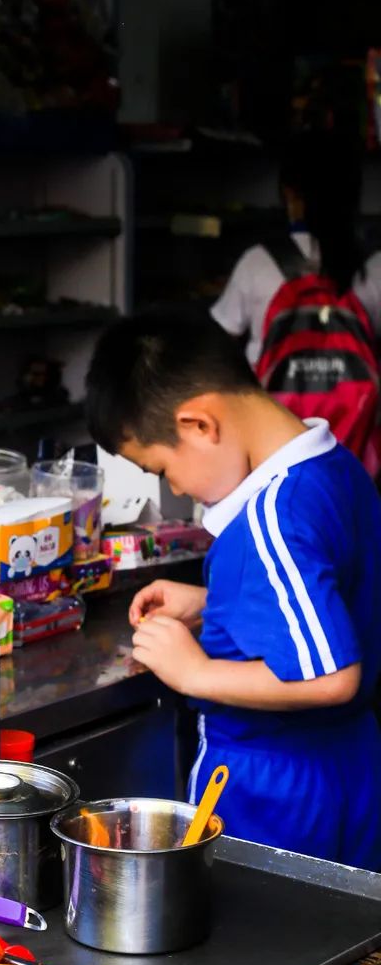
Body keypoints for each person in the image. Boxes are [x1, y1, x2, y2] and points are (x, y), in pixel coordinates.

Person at [85, 304, 381, 869]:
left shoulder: (271, 517)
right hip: (353, 766)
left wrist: (194, 671)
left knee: (261, 925)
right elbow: (331, 595)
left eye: (161, 470)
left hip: (278, 796)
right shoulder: (335, 467)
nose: (174, 489)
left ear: (199, 425)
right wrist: (216, 606)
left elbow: (331, 676)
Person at [211, 129, 381, 366]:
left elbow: (217, 345)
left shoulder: (257, 262)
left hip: (269, 392)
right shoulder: (375, 268)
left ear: (289, 192)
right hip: (357, 392)